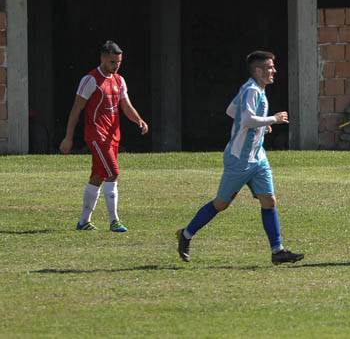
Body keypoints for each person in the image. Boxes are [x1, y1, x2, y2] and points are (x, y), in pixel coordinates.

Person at [177, 51, 305, 265]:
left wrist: (261, 128)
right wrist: (273, 119)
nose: (273, 71)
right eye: (269, 68)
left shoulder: (255, 89)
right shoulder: (251, 90)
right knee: (221, 204)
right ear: (257, 71)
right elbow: (246, 119)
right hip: (240, 159)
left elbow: (231, 111)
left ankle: (277, 251)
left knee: (269, 200)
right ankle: (186, 234)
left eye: (273, 67)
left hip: (258, 156)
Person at [59, 41, 149, 233]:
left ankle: (83, 222)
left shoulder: (119, 80)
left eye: (118, 62)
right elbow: (76, 109)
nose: (115, 65)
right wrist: (68, 137)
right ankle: (114, 221)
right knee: (113, 172)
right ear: (102, 58)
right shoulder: (90, 80)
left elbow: (125, 105)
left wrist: (139, 120)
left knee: (98, 176)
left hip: (112, 136)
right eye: (111, 62)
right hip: (96, 135)